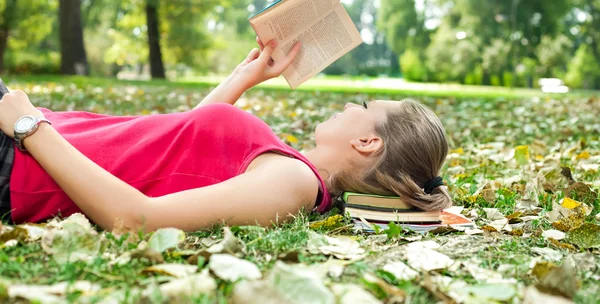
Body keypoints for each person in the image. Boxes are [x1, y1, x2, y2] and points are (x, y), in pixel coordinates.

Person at [0, 38, 450, 232]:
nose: (353, 105)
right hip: (26, 137)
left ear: (368, 143)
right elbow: (171, 151)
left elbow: (139, 220)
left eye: (367, 109)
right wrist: (244, 77)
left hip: (19, 161)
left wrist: (30, 128)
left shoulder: (293, 184)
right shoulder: (291, 167)